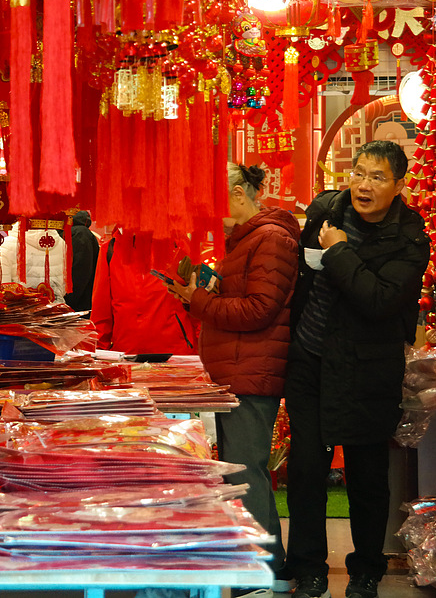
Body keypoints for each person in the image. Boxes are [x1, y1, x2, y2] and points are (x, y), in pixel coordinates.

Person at [284, 140, 430, 598]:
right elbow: (302, 279)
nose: (364, 186)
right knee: (306, 471)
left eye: (377, 177)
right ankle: (307, 567)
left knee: (367, 478)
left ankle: (366, 568)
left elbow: (380, 301)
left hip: (369, 368)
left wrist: (339, 252)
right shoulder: (324, 212)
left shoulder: (410, 239)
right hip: (312, 360)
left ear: (399, 186)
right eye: (359, 173)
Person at [167, 163, 300, 596]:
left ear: (240, 193)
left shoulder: (271, 239)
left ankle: (261, 569)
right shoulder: (247, 240)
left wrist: (200, 300)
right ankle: (256, 563)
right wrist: (199, 294)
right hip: (237, 369)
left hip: (252, 370)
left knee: (246, 470)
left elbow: (259, 309)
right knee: (240, 469)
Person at [91, 230, 198, 356]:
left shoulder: (178, 244)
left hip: (176, 355)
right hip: (126, 355)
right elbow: (101, 311)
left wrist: (204, 348)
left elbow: (196, 300)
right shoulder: (110, 250)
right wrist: (98, 354)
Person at [0, 225, 69, 303]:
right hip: (57, 309)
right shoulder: (61, 243)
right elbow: (64, 286)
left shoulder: (6, 245)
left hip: (19, 313)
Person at [64, 210, 99, 315]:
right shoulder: (78, 232)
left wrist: (66, 302)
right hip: (75, 307)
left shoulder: (80, 233)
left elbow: (80, 273)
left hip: (77, 309)